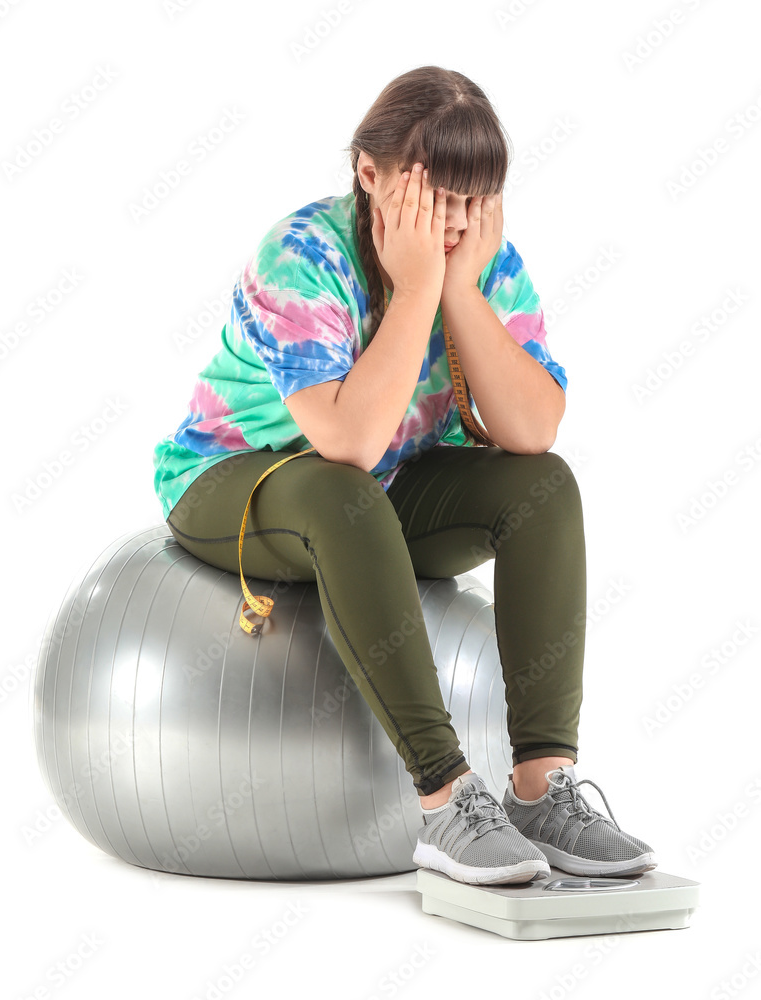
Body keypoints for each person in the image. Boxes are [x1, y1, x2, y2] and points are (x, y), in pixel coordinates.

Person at [152, 65, 656, 886]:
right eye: (431, 197)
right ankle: (444, 798)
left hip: (376, 488)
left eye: (472, 201)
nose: (453, 224)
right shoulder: (300, 255)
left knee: (545, 487)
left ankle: (539, 787)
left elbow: (530, 430)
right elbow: (346, 440)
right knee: (339, 488)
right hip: (236, 479)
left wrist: (456, 286)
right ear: (369, 175)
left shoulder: (483, 261)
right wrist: (418, 282)